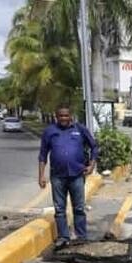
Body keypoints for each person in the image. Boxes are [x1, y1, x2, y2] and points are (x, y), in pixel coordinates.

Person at [38, 106, 99, 249]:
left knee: (79, 207)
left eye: (66, 115)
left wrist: (91, 165)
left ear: (70, 116)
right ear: (56, 116)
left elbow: (94, 146)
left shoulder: (80, 129)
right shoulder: (50, 131)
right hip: (58, 176)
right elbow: (43, 155)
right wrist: (41, 175)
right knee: (59, 209)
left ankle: (81, 236)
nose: (63, 118)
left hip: (77, 175)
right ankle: (63, 237)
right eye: (61, 116)